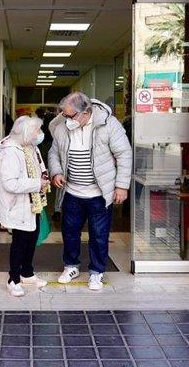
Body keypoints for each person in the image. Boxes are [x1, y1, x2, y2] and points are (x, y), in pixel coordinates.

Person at [48, 92, 132, 291]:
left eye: (70, 116)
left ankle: (97, 272)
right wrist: (56, 172)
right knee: (69, 233)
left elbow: (124, 154)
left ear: (86, 112)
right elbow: (53, 151)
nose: (67, 120)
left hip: (99, 194)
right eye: (64, 116)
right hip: (72, 192)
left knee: (99, 235)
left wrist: (122, 186)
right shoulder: (63, 127)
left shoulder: (108, 125)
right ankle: (71, 266)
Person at [0, 115, 51, 297]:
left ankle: (27, 273)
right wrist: (37, 184)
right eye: (36, 131)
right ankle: (13, 279)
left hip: (34, 202)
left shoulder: (31, 147)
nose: (40, 134)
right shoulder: (10, 152)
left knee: (32, 239)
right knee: (20, 243)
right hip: (18, 205)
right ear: (25, 133)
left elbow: (39, 168)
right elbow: (10, 183)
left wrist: (43, 179)